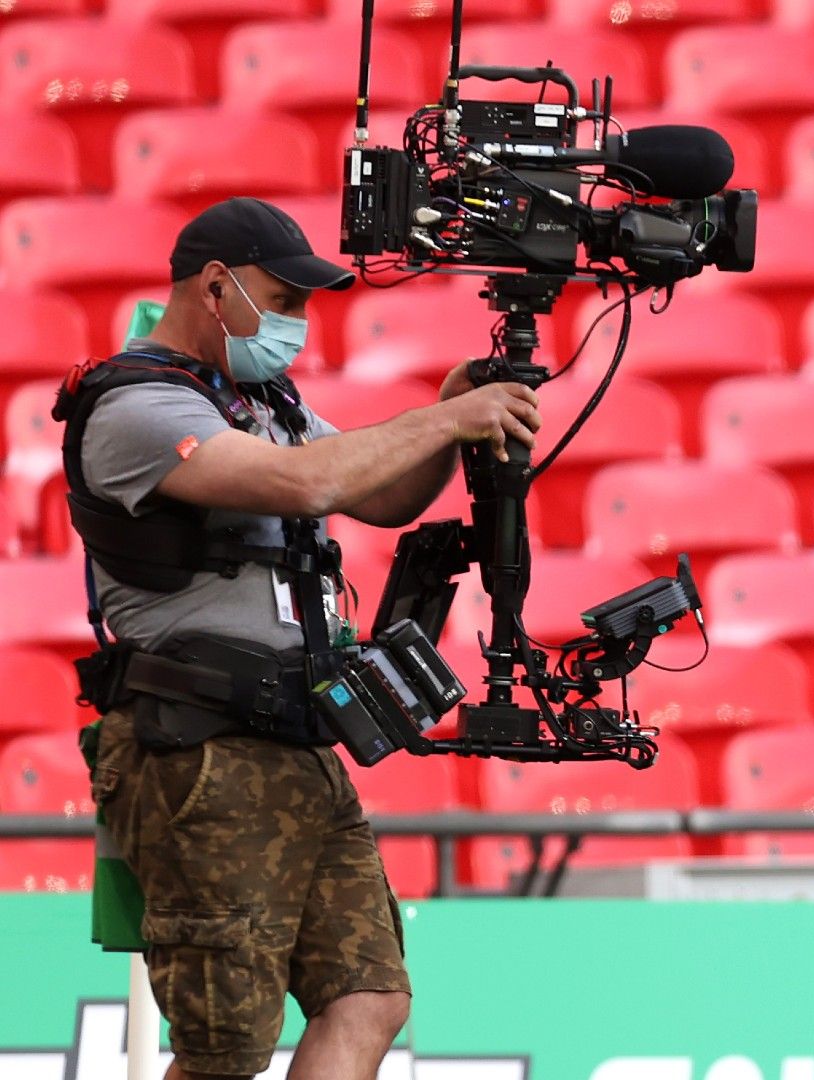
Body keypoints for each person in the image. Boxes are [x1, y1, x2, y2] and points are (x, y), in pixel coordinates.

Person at [70, 197, 544, 1080]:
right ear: (215, 288)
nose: (294, 324)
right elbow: (305, 486)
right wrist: (445, 422)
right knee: (226, 1048)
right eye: (280, 301)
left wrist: (449, 407)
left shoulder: (264, 401)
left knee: (370, 995)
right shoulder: (132, 407)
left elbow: (385, 496)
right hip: (197, 748)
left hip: (301, 735)